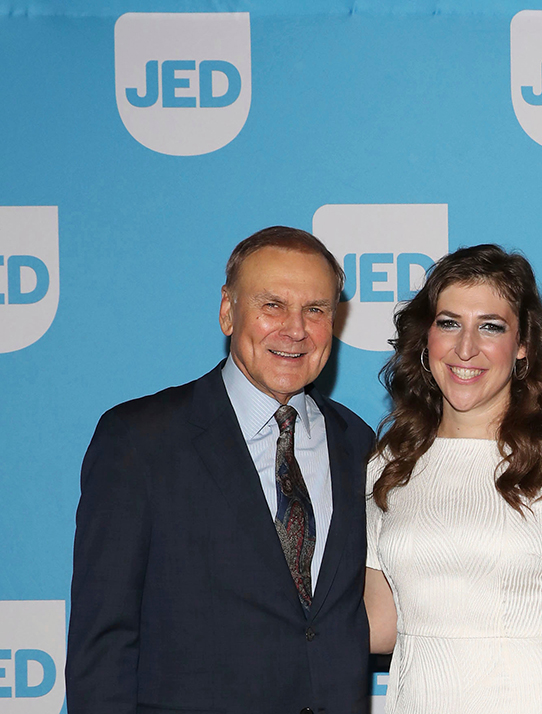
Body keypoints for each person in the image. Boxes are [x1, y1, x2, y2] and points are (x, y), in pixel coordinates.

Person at [67, 226, 374, 714]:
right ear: (228, 311)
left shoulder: (360, 445)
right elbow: (102, 640)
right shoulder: (140, 440)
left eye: (315, 310)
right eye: (272, 305)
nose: (295, 329)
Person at [363, 244, 542, 713]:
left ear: (524, 344)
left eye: (491, 326)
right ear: (426, 337)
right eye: (449, 323)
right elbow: (380, 624)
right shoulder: (388, 463)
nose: (465, 348)